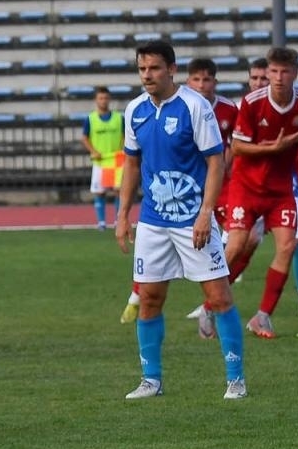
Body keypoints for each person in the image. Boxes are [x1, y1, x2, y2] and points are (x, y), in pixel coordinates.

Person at [117, 40, 247, 400]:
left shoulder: (195, 106)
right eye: (142, 69)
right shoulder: (135, 111)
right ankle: (151, 381)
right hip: (154, 221)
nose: (147, 75)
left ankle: (235, 379)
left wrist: (206, 213)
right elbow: (131, 163)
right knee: (149, 299)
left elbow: (215, 161)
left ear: (171, 69)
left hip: (193, 219)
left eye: (154, 68)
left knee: (219, 296)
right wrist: (123, 215)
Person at [224, 47, 298, 339]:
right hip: (246, 187)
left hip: (281, 189)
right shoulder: (252, 102)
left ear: (295, 74)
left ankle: (262, 316)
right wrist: (272, 148)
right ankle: (211, 305)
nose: (278, 77)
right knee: (234, 248)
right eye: (274, 71)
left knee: (288, 246)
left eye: (285, 72)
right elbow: (238, 147)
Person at [182, 58, 240, 337]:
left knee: (246, 237)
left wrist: (226, 164)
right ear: (187, 82)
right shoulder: (182, 107)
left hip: (225, 183)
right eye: (197, 80)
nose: (202, 86)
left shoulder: (230, 109)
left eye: (207, 80)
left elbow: (235, 143)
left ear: (215, 82)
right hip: (191, 186)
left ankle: (213, 300)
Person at [80, 88, 124, 230]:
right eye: (100, 98)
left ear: (109, 99)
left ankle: (118, 221)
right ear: (96, 100)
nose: (103, 101)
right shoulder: (91, 118)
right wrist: (93, 151)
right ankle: (101, 222)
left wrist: (123, 149)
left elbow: (125, 135)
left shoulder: (119, 118)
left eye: (105, 98)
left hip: (116, 160)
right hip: (100, 161)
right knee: (100, 192)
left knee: (118, 191)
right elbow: (84, 137)